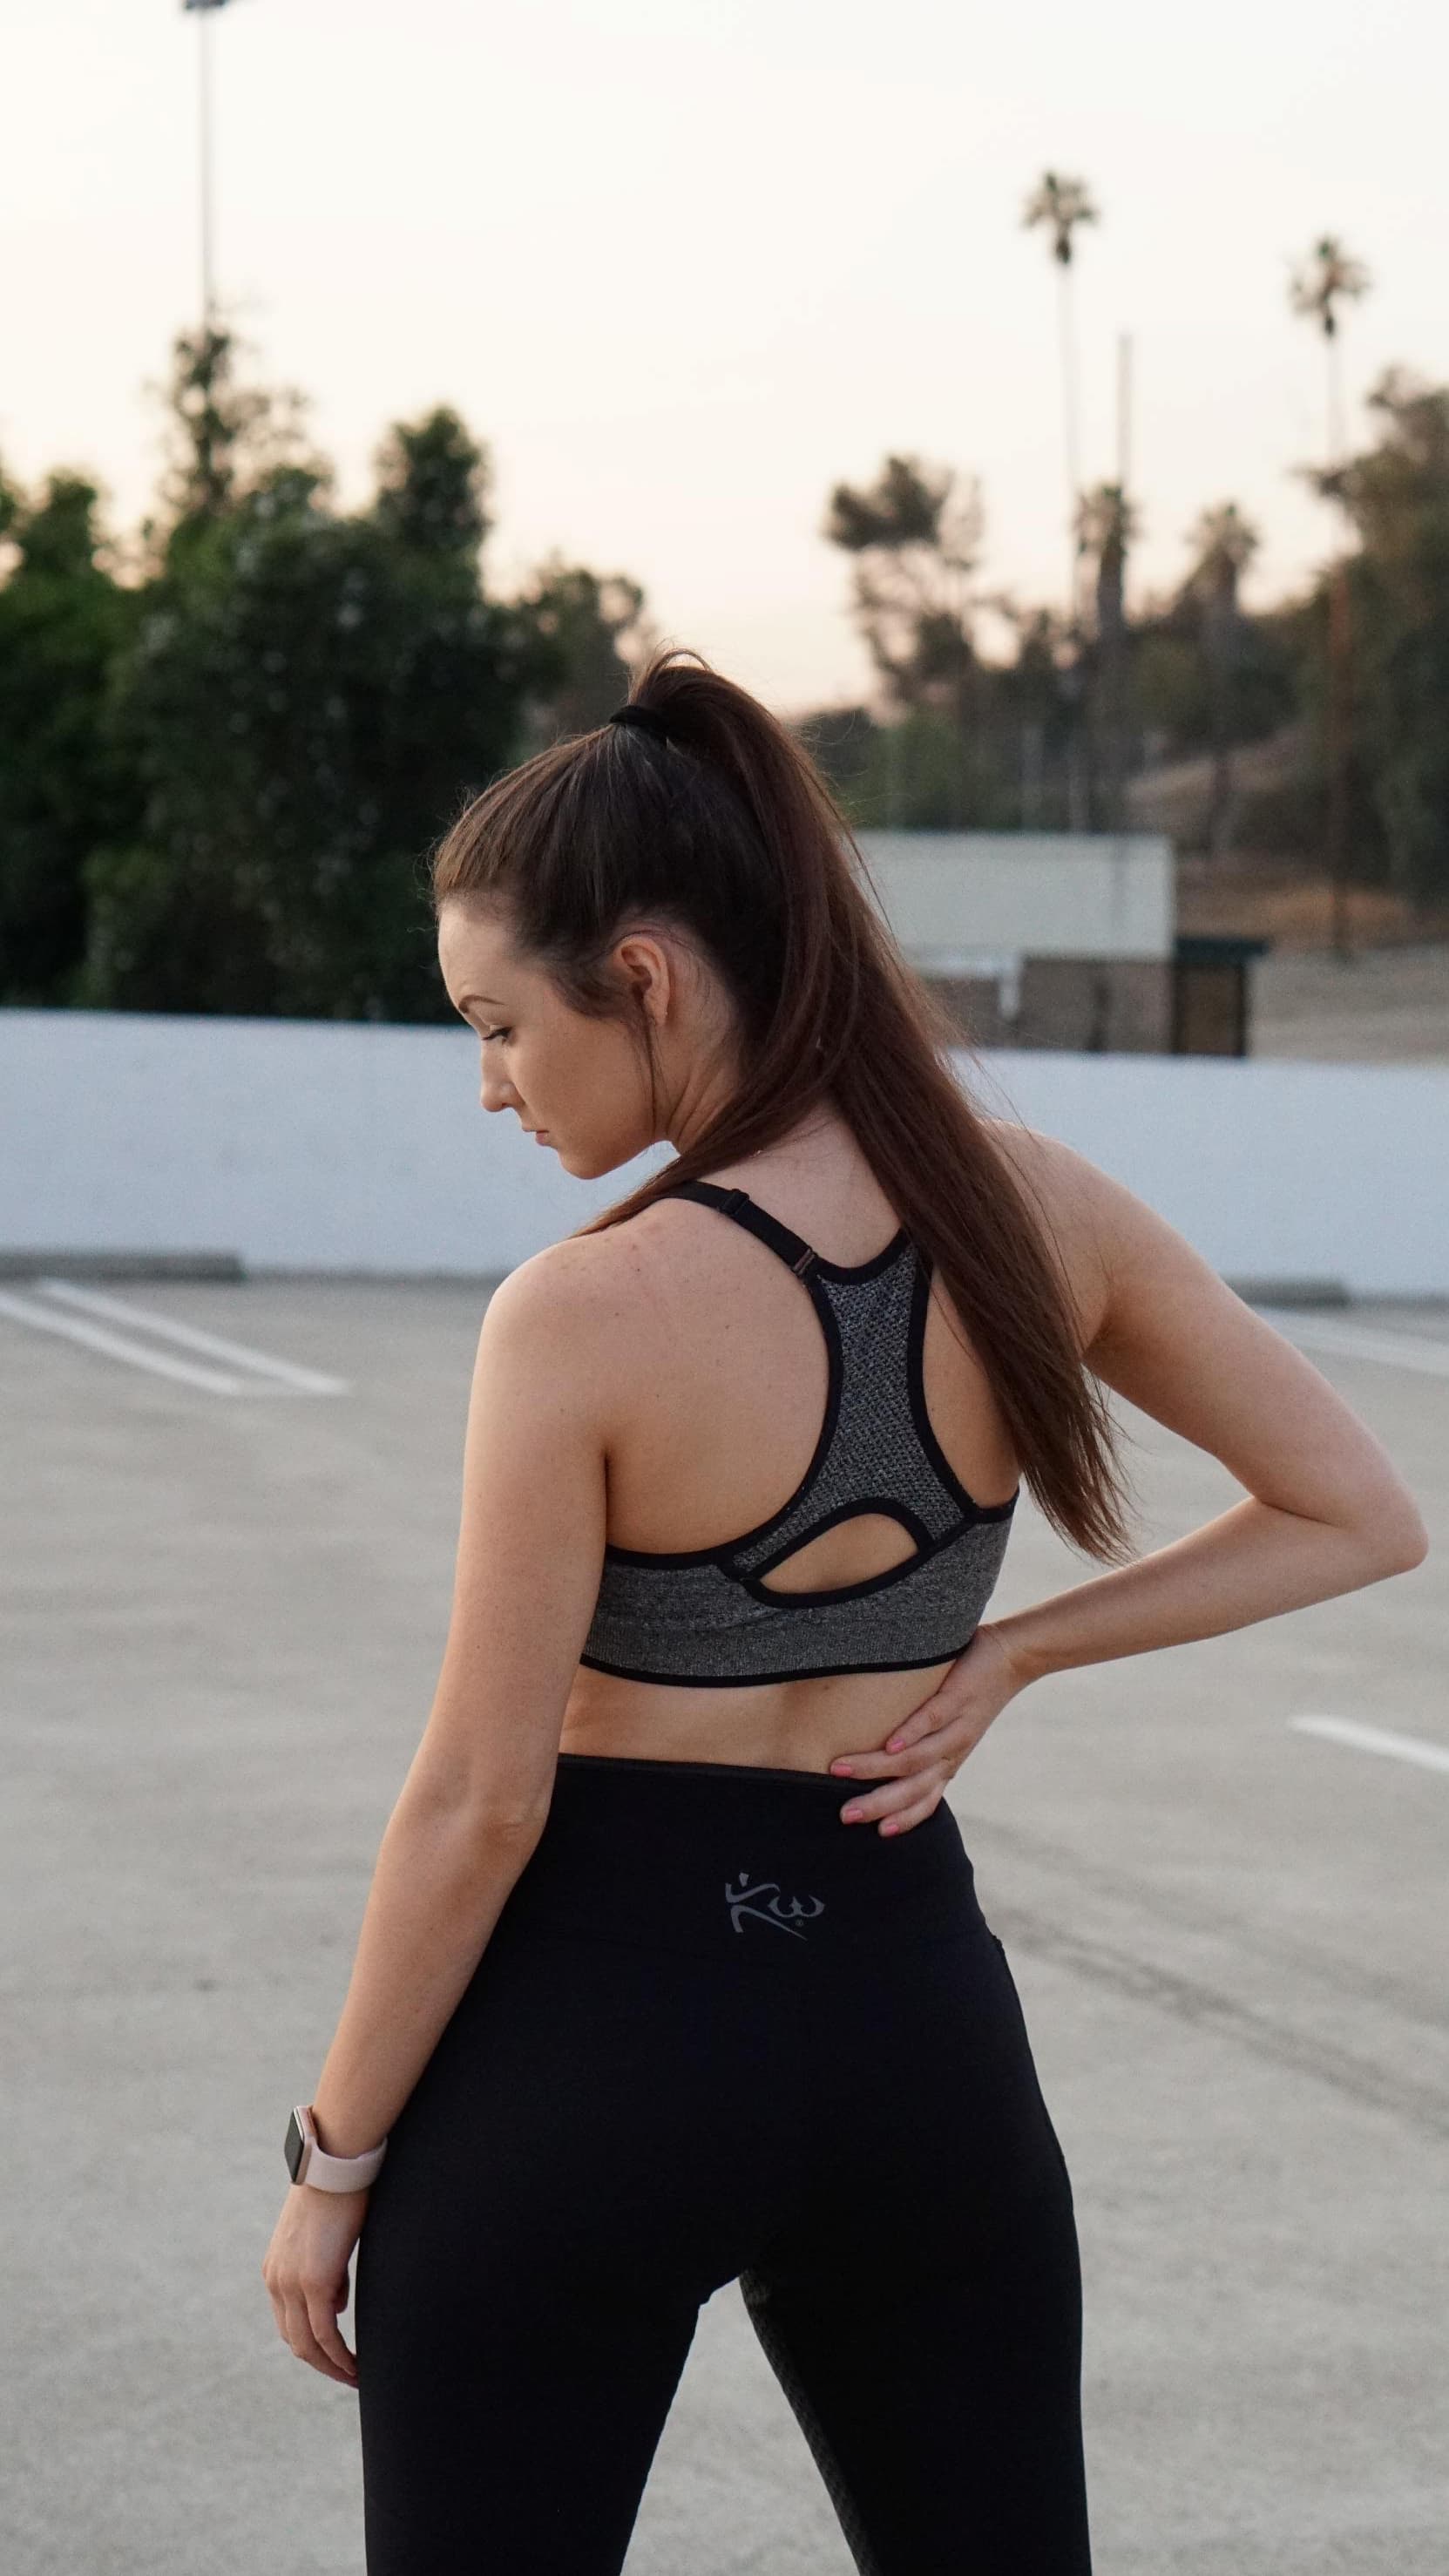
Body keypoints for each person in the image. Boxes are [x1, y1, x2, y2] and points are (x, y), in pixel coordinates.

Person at [262, 647, 1427, 2575]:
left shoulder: (579, 1312)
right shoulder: (1033, 1203)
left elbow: (479, 1800)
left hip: (596, 2036)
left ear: (639, 973)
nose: (487, 1082)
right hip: (910, 2020)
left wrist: (334, 2159)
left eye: (495, 1023)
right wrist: (1014, 1649)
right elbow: (1357, 1510)